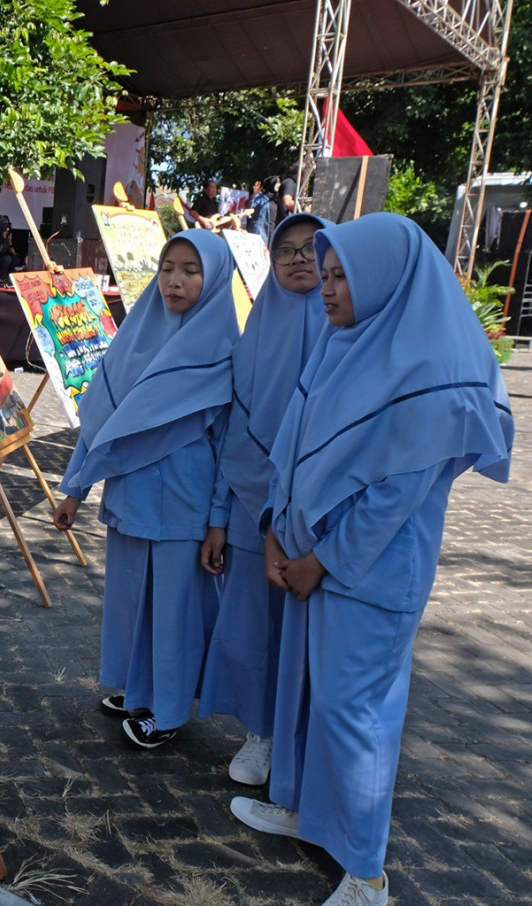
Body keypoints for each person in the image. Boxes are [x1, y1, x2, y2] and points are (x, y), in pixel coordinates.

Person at [230, 213, 514, 905]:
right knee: (308, 695)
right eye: (323, 275)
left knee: (355, 713)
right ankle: (303, 807)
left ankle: (366, 873)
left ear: (386, 279)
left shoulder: (431, 372)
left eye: (341, 276)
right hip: (306, 560)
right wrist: (273, 528)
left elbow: (396, 497)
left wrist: (319, 562)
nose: (327, 290)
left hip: (367, 575)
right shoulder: (340, 346)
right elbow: (291, 450)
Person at [52, 230, 240, 748]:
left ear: (216, 277)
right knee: (135, 603)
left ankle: (170, 711)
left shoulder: (226, 354)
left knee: (175, 611)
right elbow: (101, 425)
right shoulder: (134, 338)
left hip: (186, 506)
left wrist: (219, 522)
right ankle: (142, 689)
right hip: (132, 498)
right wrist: (74, 491)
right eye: (167, 268)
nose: (175, 281)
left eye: (190, 270)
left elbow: (230, 451)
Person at [198, 213, 332, 787]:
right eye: (286, 250)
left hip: (323, 519)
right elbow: (235, 434)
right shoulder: (253, 337)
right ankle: (261, 732)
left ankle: (304, 743)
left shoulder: (346, 331)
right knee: (255, 628)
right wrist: (219, 519)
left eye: (312, 249)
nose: (299, 259)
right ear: (270, 264)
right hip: (257, 513)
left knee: (312, 635)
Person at [247, 177, 278, 242]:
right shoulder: (261, 197)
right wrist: (254, 194)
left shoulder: (277, 199)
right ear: (272, 183)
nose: (279, 184)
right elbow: (248, 206)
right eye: (277, 182)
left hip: (271, 233)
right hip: (259, 232)